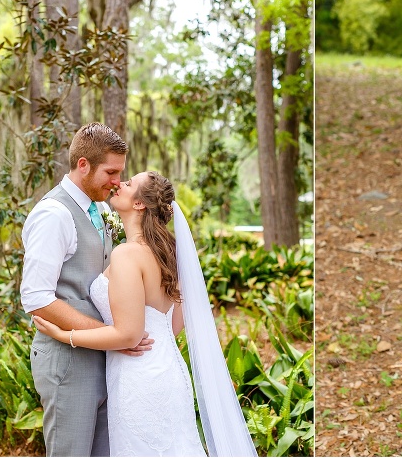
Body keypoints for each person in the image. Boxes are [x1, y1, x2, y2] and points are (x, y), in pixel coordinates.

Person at [33, 171, 257, 457]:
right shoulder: (168, 252)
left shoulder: (127, 254)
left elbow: (128, 334)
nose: (119, 184)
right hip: (168, 370)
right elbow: (173, 325)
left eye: (128, 183)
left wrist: (65, 335)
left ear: (139, 204)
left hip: (137, 378)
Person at [21, 122, 150, 457]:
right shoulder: (54, 215)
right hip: (67, 361)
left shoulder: (102, 209)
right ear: (83, 165)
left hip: (103, 356)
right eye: (110, 172)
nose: (117, 182)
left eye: (121, 173)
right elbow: (36, 298)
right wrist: (111, 333)